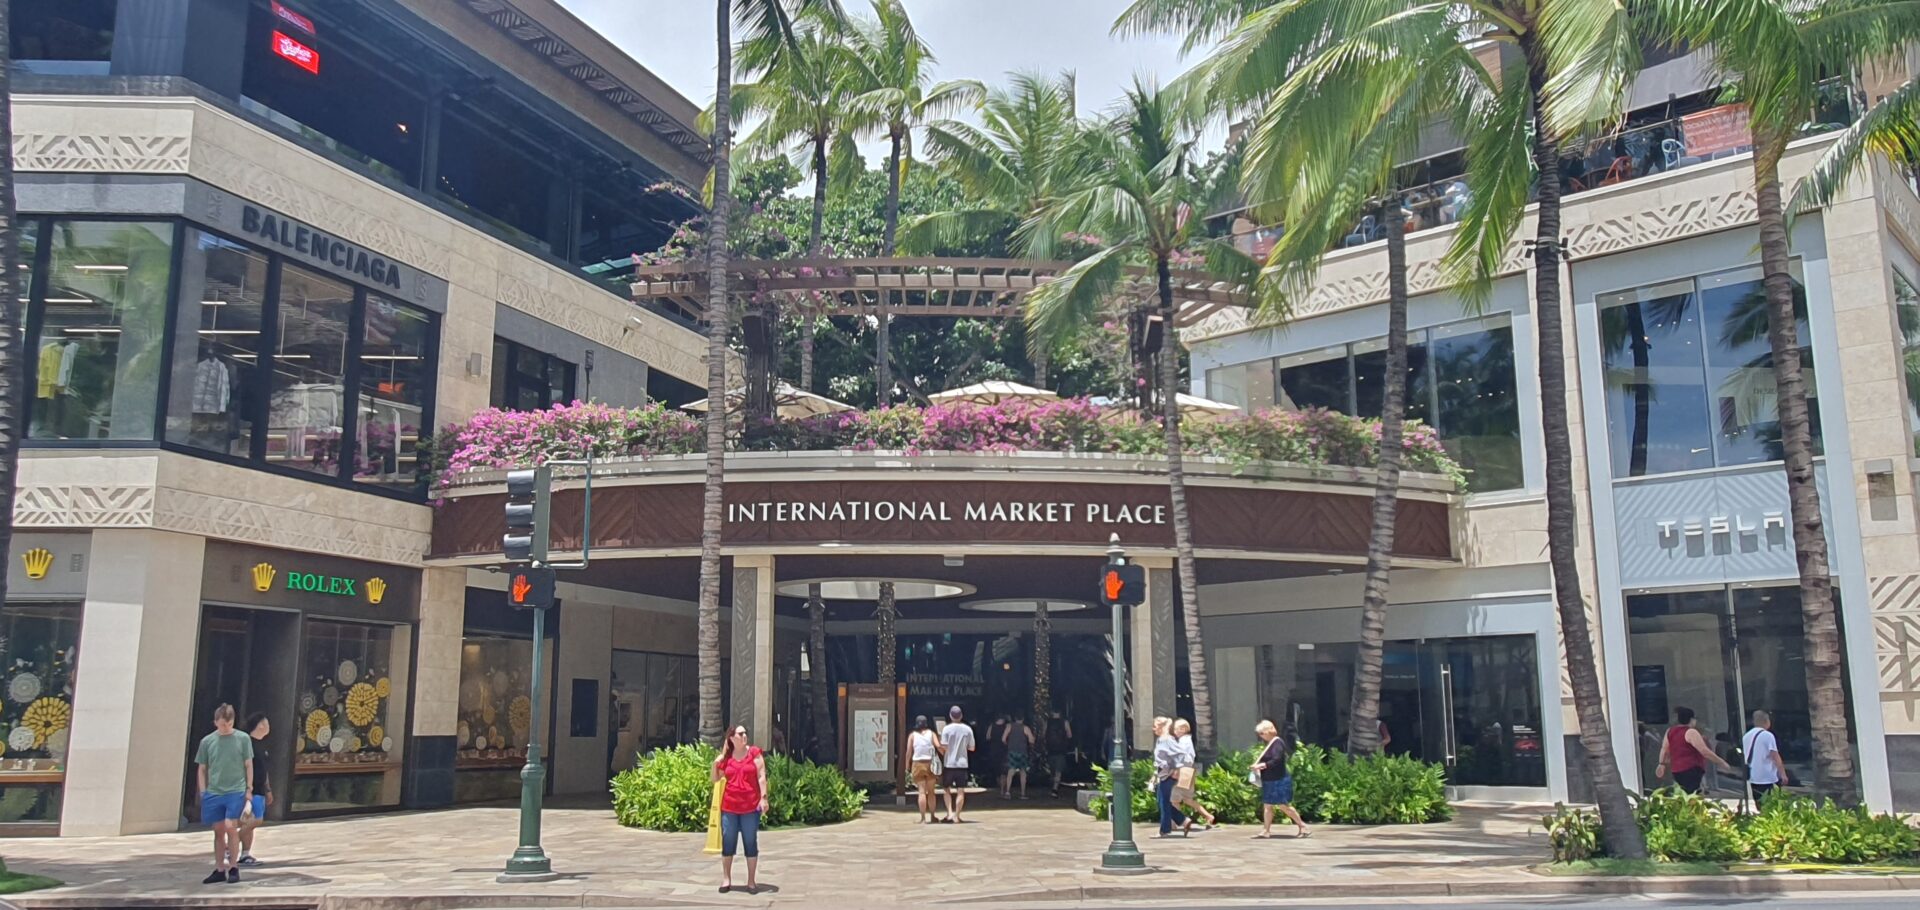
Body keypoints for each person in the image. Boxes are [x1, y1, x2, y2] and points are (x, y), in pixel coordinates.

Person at [194, 703, 255, 884]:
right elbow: (202, 768)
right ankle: (220, 868)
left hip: (235, 790)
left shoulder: (243, 739)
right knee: (218, 830)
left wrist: (249, 789)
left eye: (228, 724)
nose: (225, 728)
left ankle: (234, 866)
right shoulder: (207, 742)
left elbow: (248, 764)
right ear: (215, 722)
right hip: (214, 791)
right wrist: (203, 791)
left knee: (231, 826)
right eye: (222, 725)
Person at [711, 725, 768, 894]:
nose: (744, 736)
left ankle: (751, 881)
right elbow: (716, 779)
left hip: (750, 806)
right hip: (729, 806)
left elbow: (761, 776)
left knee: (750, 841)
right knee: (728, 840)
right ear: (731, 738)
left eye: (745, 733)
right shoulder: (727, 758)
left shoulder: (754, 753)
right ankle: (726, 879)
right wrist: (715, 764)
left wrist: (763, 798)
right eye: (740, 733)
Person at [1253, 719, 1310, 839]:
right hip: (1269, 779)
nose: (1261, 736)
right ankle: (1266, 830)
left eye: (1262, 733)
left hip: (1279, 779)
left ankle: (1302, 825)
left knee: (1283, 805)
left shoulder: (1278, 743)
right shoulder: (1269, 744)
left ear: (1268, 732)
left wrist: (1262, 765)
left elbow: (1277, 760)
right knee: (1267, 805)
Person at [1655, 706, 1731, 794]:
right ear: (1691, 719)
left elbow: (1664, 749)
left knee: (1683, 793)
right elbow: (1704, 751)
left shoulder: (1670, 731)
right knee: (1692, 794)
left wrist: (1661, 764)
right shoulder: (1691, 732)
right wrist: (1721, 762)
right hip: (1691, 769)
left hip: (1676, 770)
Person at [235, 713, 273, 866]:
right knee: (256, 820)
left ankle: (245, 854)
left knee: (250, 825)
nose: (269, 726)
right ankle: (231, 843)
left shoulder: (262, 745)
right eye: (267, 723)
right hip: (250, 789)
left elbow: (265, 770)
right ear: (260, 725)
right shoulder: (247, 743)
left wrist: (268, 789)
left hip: (260, 789)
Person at [1170, 718, 1217, 831]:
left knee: (1174, 799)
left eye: (1176, 728)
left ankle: (1175, 824)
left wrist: (1176, 767)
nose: (1174, 731)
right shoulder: (1186, 741)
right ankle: (1208, 816)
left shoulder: (1184, 742)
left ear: (1183, 729)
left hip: (1182, 772)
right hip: (1187, 771)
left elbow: (1186, 758)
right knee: (1187, 799)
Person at [1151, 717, 1188, 838]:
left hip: (1168, 773)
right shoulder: (1161, 740)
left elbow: (1181, 753)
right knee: (1161, 801)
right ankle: (1183, 820)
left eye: (1155, 726)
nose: (1153, 729)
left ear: (1161, 727)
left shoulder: (1167, 740)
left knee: (1164, 802)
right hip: (1162, 773)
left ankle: (1165, 830)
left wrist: (1176, 769)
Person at [1742, 710, 1788, 806]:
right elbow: (1775, 756)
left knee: (1759, 804)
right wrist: (1783, 774)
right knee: (1772, 805)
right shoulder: (1768, 736)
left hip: (1753, 776)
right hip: (1768, 777)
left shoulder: (1746, 736)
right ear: (1767, 721)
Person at [939, 706, 976, 823]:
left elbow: (943, 746)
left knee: (946, 789)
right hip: (962, 763)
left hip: (949, 763)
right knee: (961, 790)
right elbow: (972, 747)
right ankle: (957, 815)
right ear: (961, 716)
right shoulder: (968, 729)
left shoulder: (946, 729)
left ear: (950, 715)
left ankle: (949, 812)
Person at [904, 715, 941, 823]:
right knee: (931, 792)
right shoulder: (932, 733)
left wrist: (907, 766)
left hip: (917, 763)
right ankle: (933, 816)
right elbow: (938, 745)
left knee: (921, 792)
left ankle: (923, 818)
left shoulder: (912, 735)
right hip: (930, 763)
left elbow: (908, 752)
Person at [1002, 716, 1035, 799]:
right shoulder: (1025, 728)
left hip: (1012, 751)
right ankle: (1023, 794)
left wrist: (1008, 744)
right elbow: (1031, 740)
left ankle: (1008, 792)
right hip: (1023, 752)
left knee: (1010, 772)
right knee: (1023, 772)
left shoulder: (1009, 726)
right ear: (1023, 719)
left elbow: (1003, 739)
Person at [1045, 712, 1074, 797]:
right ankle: (1055, 789)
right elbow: (1069, 735)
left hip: (1050, 750)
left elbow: (1044, 734)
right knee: (1058, 771)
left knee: (1052, 771)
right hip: (1061, 751)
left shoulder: (1048, 722)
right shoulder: (1065, 722)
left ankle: (1052, 786)